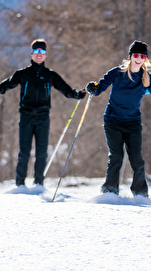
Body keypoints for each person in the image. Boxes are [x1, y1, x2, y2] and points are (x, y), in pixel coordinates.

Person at [86, 40, 151, 197]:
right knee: (116, 156)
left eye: (142, 56)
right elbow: (100, 86)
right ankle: (110, 191)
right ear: (130, 56)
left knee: (137, 159)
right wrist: (93, 88)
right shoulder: (117, 73)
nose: (139, 58)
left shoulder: (147, 78)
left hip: (133, 122)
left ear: (145, 59)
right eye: (136, 55)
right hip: (113, 120)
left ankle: (140, 193)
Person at [0, 38, 86, 187]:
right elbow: (7, 85)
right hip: (26, 116)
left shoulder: (50, 75)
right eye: (36, 51)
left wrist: (78, 94)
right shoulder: (23, 74)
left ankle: (38, 183)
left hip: (43, 118)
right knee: (24, 152)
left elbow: (66, 90)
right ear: (32, 54)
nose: (39, 54)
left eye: (42, 51)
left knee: (41, 152)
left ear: (46, 55)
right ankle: (20, 184)